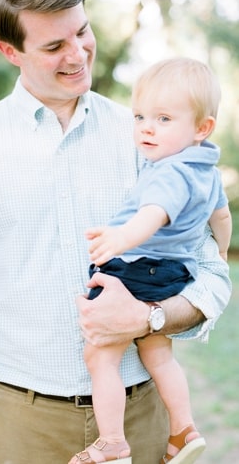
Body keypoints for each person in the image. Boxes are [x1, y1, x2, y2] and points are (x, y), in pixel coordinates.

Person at [0, 0, 232, 464]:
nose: (78, 54)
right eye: (53, 46)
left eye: (82, 32)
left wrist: (149, 317)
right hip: (16, 425)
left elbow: (213, 276)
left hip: (140, 419)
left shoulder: (149, 137)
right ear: (9, 51)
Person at [68, 58, 231, 464]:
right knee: (158, 354)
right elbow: (222, 217)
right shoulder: (206, 169)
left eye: (163, 118)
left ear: (201, 128)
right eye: (140, 116)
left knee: (100, 354)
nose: (146, 127)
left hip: (138, 265)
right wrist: (223, 252)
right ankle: (184, 428)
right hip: (172, 274)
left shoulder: (169, 172)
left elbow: (153, 213)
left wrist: (120, 238)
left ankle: (111, 442)